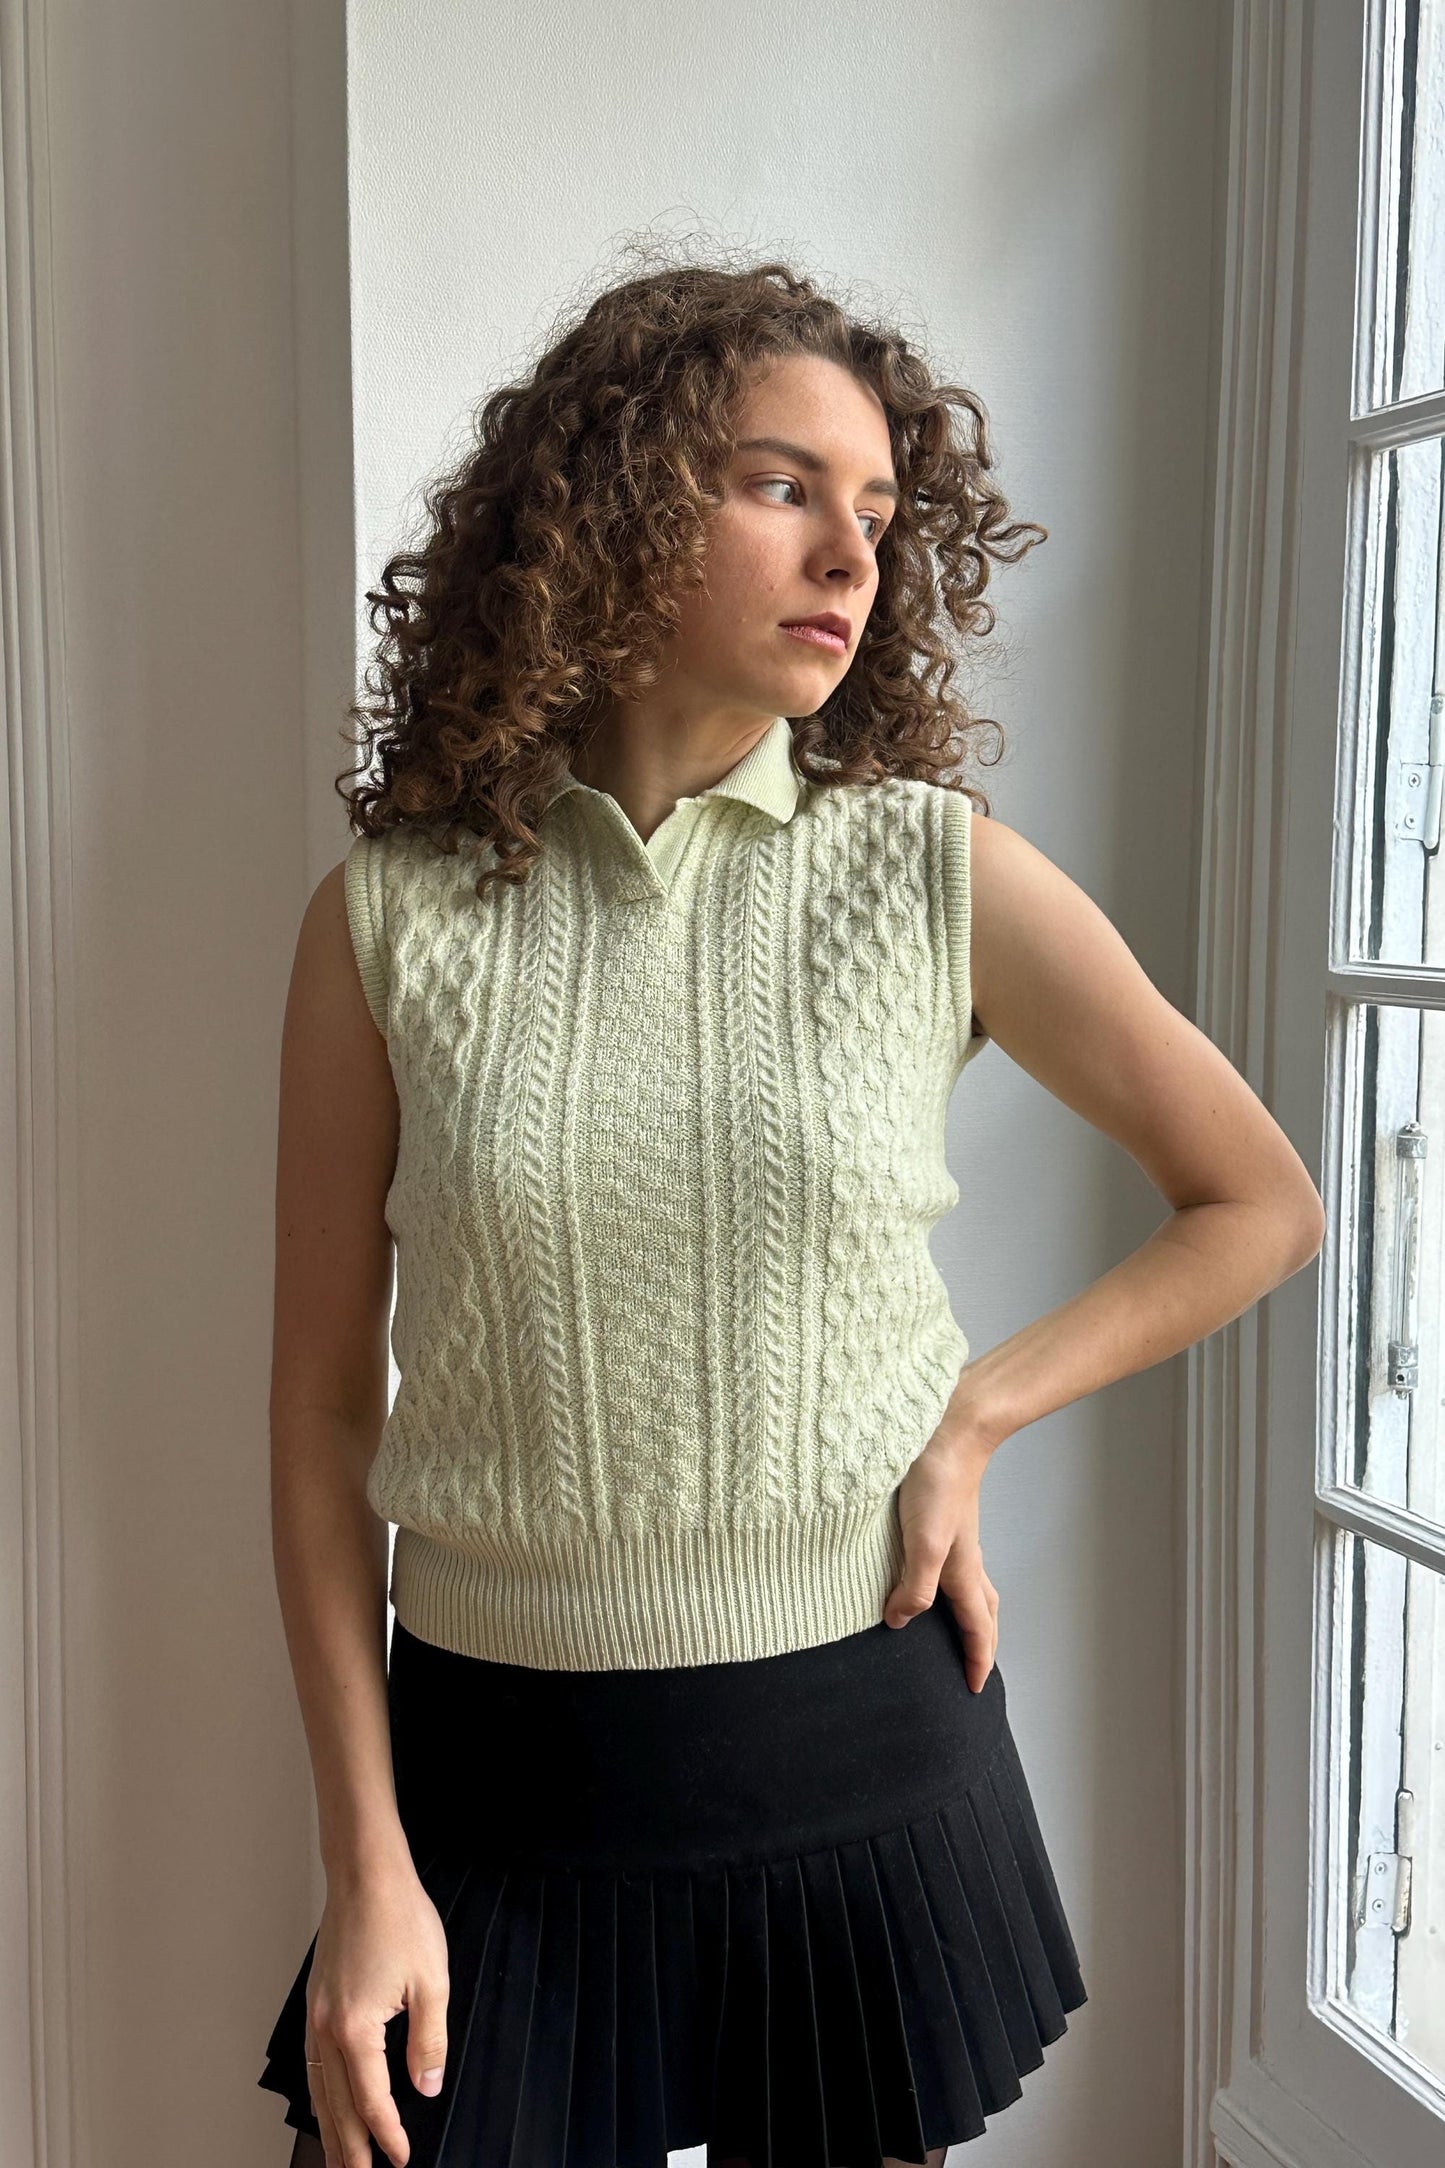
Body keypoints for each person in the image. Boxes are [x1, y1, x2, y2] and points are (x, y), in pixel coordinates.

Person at [256, 250, 1325, 2168]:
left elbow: (1255, 1199)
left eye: (881, 512)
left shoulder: (930, 875)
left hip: (857, 1745)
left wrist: (974, 1415)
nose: (853, 552)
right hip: (497, 1779)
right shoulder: (386, 922)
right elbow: (326, 1406)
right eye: (781, 485)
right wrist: (365, 1862)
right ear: (608, 502)